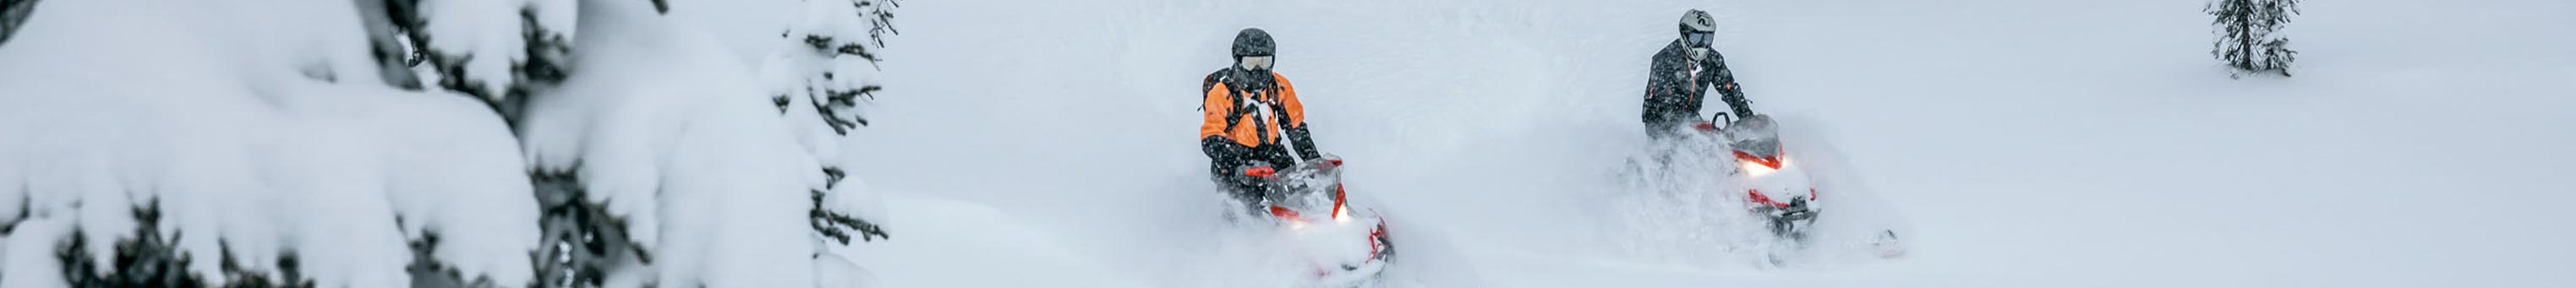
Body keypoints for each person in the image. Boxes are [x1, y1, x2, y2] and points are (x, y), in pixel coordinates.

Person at [1200, 28, 1322, 204]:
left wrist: (1313, 159)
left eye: (1265, 62)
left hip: (1273, 154)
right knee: (1245, 210)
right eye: (1252, 63)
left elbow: (1296, 127)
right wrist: (1237, 166)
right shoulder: (1222, 93)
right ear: (1238, 61)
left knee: (1300, 199)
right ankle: (1238, 229)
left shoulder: (1278, 86)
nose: (1259, 70)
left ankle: (1326, 222)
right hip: (1235, 160)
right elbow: (1211, 138)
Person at [1641, 9, 1752, 139]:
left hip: (1691, 120)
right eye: (1696, 38)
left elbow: (1729, 88)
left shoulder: (1712, 60)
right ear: (1685, 35)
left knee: (1722, 145)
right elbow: (1664, 101)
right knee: (1695, 149)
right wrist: (1693, 127)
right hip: (1661, 125)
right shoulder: (1665, 60)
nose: (1703, 44)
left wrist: (1747, 116)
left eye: (1707, 38)